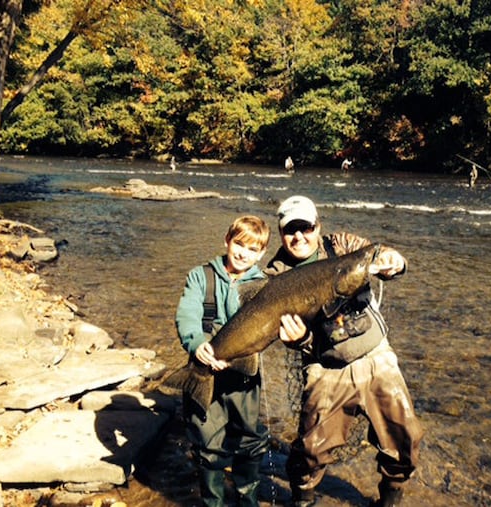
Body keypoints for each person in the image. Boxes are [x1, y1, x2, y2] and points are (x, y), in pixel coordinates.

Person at [265, 196, 423, 507]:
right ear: (281, 234)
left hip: (376, 356)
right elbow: (284, 333)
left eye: (305, 227)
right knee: (311, 450)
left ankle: (390, 499)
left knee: (405, 440)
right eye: (290, 230)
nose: (299, 237)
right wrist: (300, 341)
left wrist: (395, 261)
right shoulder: (276, 275)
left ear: (317, 227)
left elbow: (379, 253)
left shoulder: (341, 244)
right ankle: (303, 499)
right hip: (325, 367)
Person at [175, 215, 271, 507]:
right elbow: (187, 314)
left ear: (262, 254)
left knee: (250, 442)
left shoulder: (265, 286)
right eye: (239, 244)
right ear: (227, 241)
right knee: (208, 446)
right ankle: (213, 502)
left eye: (253, 249)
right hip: (205, 367)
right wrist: (196, 342)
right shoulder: (200, 276)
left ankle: (248, 501)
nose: (244, 253)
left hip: (245, 374)